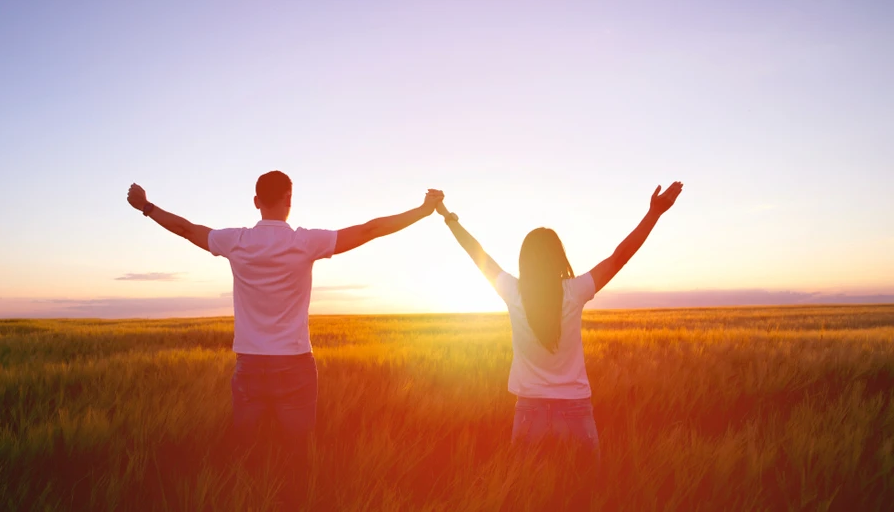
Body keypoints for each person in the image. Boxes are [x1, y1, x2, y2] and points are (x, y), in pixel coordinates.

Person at [126, 172, 443, 510]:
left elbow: (186, 229)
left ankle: (248, 501)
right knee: (298, 454)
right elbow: (369, 230)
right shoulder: (306, 242)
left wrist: (146, 206)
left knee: (246, 451)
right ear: (289, 200)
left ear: (256, 201)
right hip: (295, 365)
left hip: (249, 366)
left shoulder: (235, 241)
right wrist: (422, 211)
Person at [434, 182, 683, 459]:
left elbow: (476, 253)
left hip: (529, 411)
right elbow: (618, 258)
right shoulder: (575, 291)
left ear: (524, 260)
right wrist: (654, 214)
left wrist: (446, 215)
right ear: (558, 258)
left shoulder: (513, 291)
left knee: (528, 496)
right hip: (575, 408)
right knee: (588, 496)